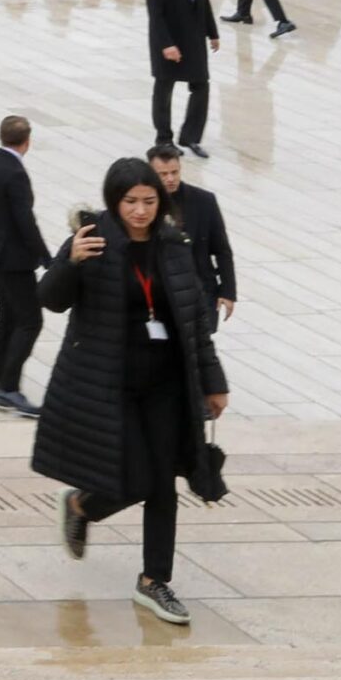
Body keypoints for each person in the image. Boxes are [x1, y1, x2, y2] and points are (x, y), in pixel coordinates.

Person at [36, 157, 231, 626]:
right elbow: (50, 299)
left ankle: (154, 581)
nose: (140, 211)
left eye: (149, 201)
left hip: (165, 382)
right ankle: (83, 504)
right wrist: (70, 262)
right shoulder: (93, 241)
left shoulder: (174, 245)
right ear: (114, 201)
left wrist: (213, 381)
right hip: (109, 382)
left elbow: (193, 322)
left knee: (162, 482)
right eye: (131, 202)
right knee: (138, 477)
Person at [0, 115, 51, 416]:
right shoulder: (16, 173)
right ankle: (9, 388)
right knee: (30, 321)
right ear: (27, 141)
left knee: (5, 315)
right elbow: (24, 220)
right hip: (14, 259)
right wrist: (45, 256)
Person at [147, 145, 238, 330]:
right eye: (163, 174)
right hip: (160, 294)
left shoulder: (204, 201)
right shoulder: (142, 205)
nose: (170, 179)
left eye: (174, 172)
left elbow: (222, 249)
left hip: (199, 292)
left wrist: (228, 291)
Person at [145, 0, 218, 155]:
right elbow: (156, 16)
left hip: (193, 42)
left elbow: (203, 4)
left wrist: (212, 33)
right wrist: (166, 44)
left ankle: (191, 137)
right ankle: (164, 139)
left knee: (201, 86)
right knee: (164, 90)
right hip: (169, 43)